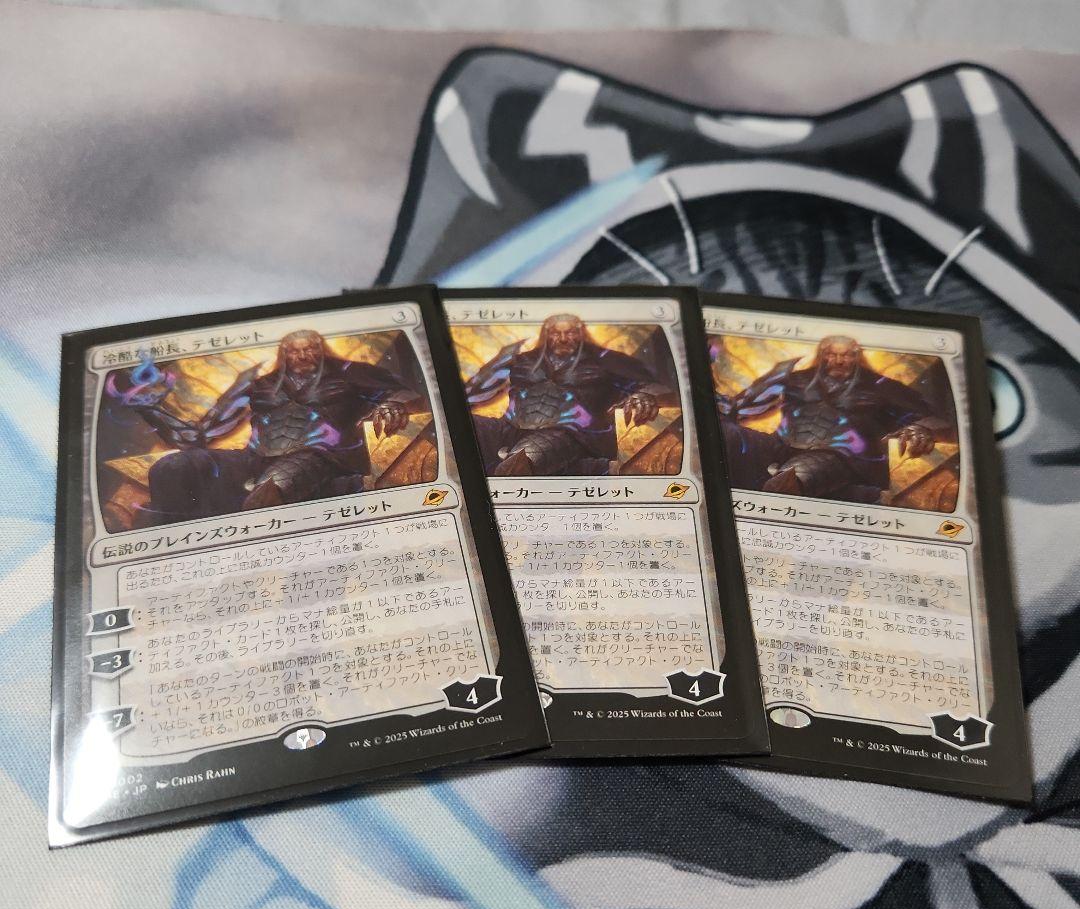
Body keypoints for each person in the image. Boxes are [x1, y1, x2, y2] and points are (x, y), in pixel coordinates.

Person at [128, 329, 423, 523]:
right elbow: (207, 427)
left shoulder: (348, 372)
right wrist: (154, 413)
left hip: (320, 456)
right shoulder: (261, 383)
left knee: (266, 495)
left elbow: (401, 392)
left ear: (320, 349)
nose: (302, 356)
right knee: (173, 467)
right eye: (294, 351)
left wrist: (392, 405)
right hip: (254, 457)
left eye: (310, 349)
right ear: (285, 353)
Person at [718, 334, 952, 502]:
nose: (839, 361)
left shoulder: (880, 386)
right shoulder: (796, 378)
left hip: (842, 456)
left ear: (856, 356)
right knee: (726, 434)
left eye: (846, 355)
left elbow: (929, 417)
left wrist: (922, 430)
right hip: (782, 444)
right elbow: (742, 405)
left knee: (788, 482)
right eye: (832, 354)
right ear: (823, 355)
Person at [464, 314, 677, 476]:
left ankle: (591, 468)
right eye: (556, 333)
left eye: (571, 333)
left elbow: (654, 386)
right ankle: (587, 469)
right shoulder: (523, 358)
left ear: (580, 332)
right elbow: (475, 390)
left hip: (569, 433)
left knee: (518, 465)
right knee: (457, 424)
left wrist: (643, 396)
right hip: (509, 426)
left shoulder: (604, 359)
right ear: (547, 334)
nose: (563, 339)